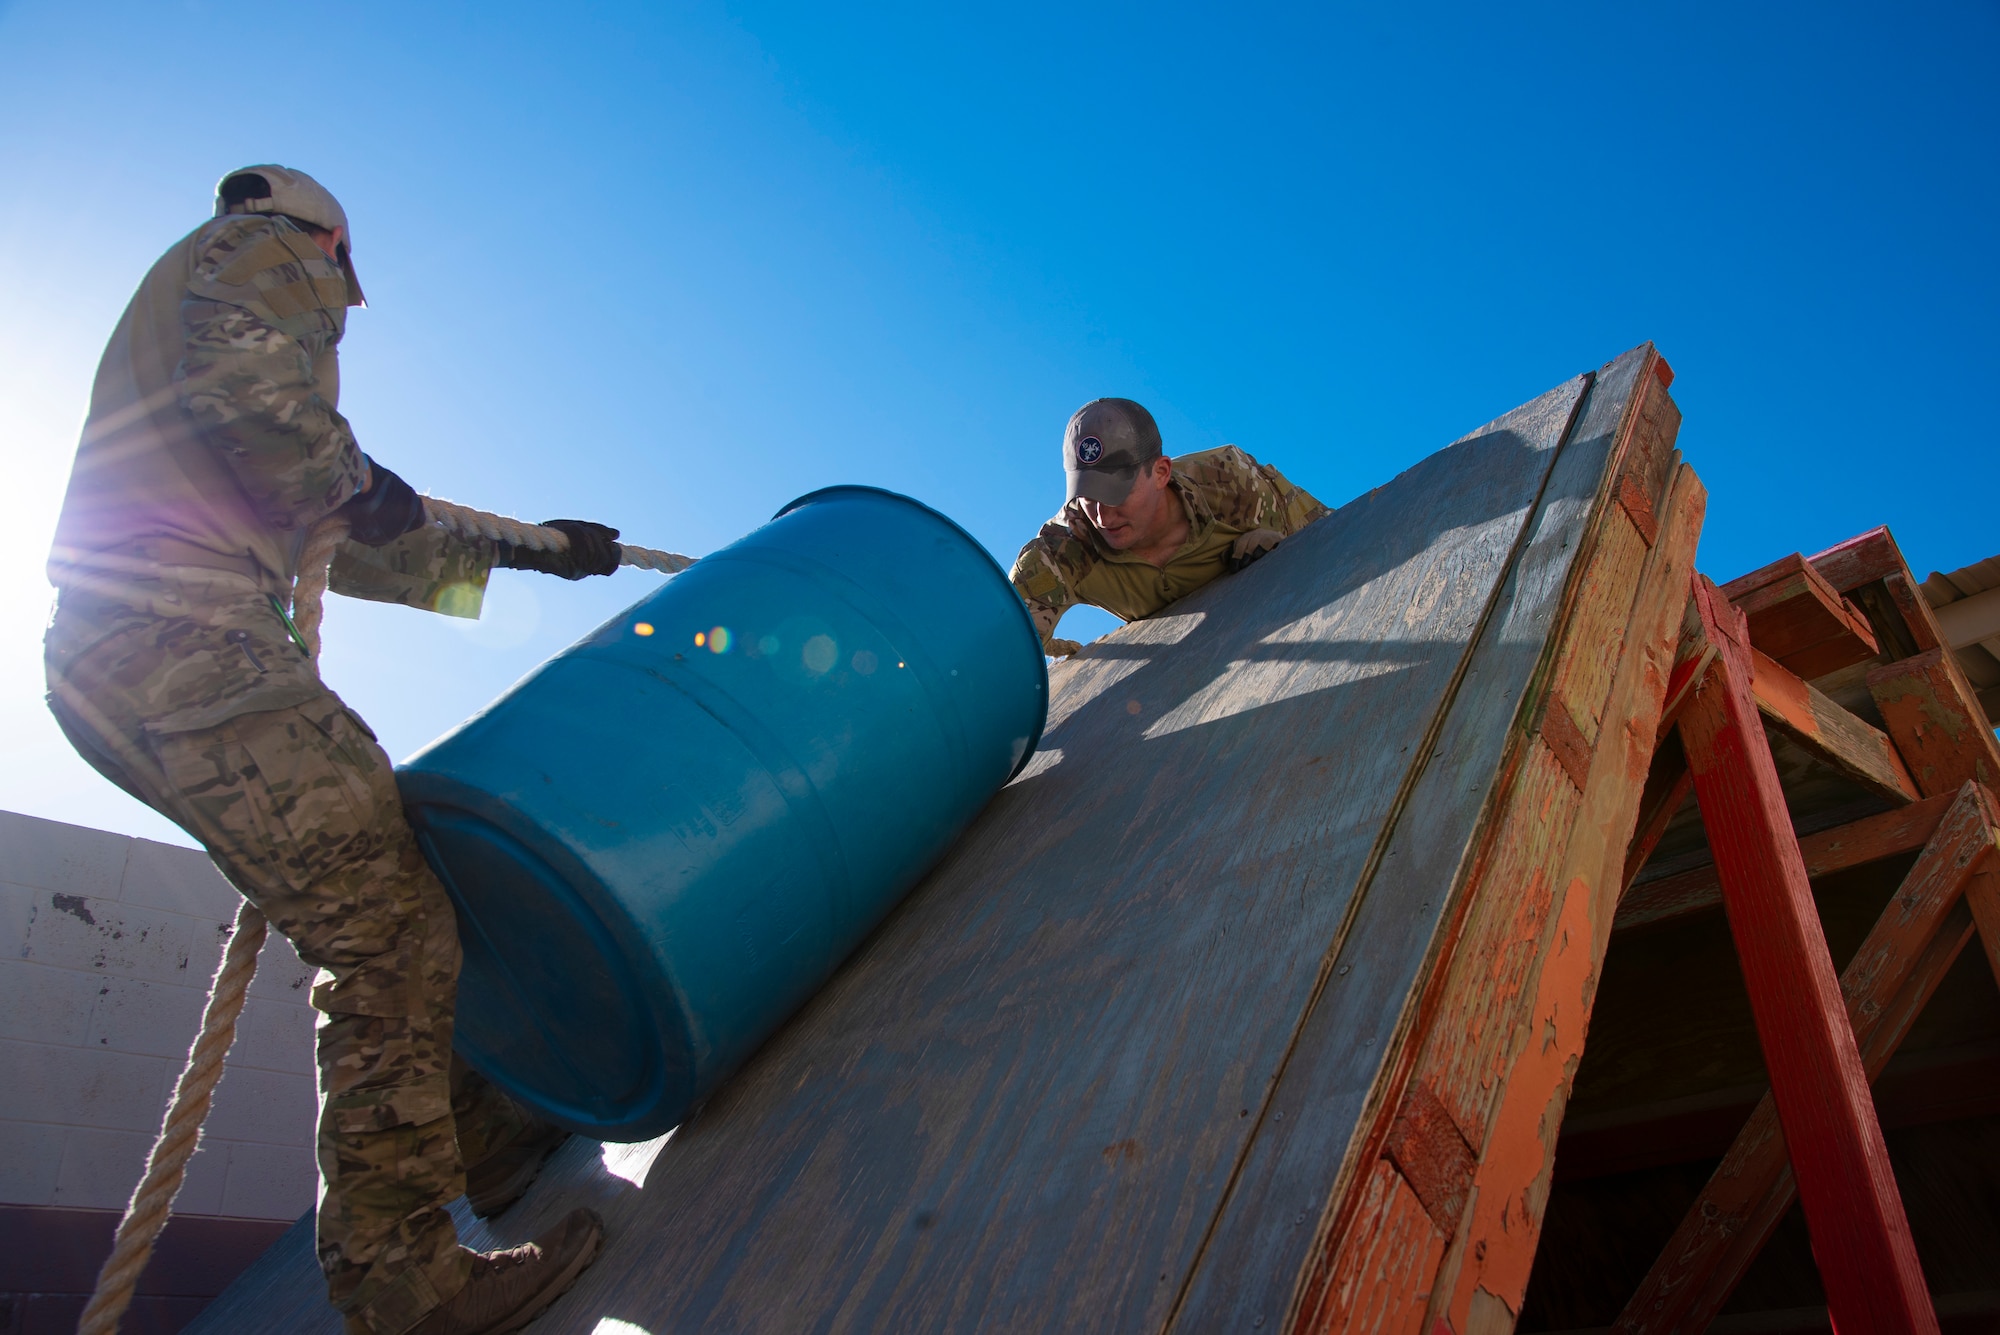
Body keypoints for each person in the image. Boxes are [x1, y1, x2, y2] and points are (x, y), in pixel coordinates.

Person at [44, 165, 610, 1335]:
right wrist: (352, 479)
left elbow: (344, 541)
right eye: (343, 277)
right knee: (389, 929)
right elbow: (271, 421)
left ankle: (483, 1144)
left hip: (143, 650)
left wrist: (539, 553)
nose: (342, 303)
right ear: (329, 242)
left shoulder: (202, 320)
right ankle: (401, 1281)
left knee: (381, 886)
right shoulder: (262, 248)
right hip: (184, 640)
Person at [1009, 397, 1330, 655]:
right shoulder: (1061, 550)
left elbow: (1346, 537)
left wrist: (1286, 546)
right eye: (1087, 497)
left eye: (1116, 495)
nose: (1102, 518)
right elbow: (1000, 648)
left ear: (1161, 473)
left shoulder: (1233, 483)